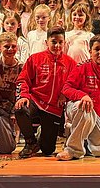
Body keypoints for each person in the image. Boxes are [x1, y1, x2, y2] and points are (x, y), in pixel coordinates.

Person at [58, 35, 100, 161]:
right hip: (78, 108)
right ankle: (72, 149)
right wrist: (83, 96)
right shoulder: (81, 67)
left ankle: (83, 143)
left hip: (97, 117)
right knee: (85, 108)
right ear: (90, 51)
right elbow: (66, 88)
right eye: (97, 49)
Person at [15, 26, 76, 158]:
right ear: (46, 42)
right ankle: (30, 142)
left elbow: (74, 84)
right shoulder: (35, 59)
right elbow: (23, 79)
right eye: (54, 42)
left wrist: (64, 94)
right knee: (20, 109)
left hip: (54, 108)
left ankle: (41, 135)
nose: (57, 45)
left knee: (48, 150)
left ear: (64, 43)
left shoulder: (71, 63)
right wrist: (23, 96)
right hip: (35, 100)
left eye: (60, 42)